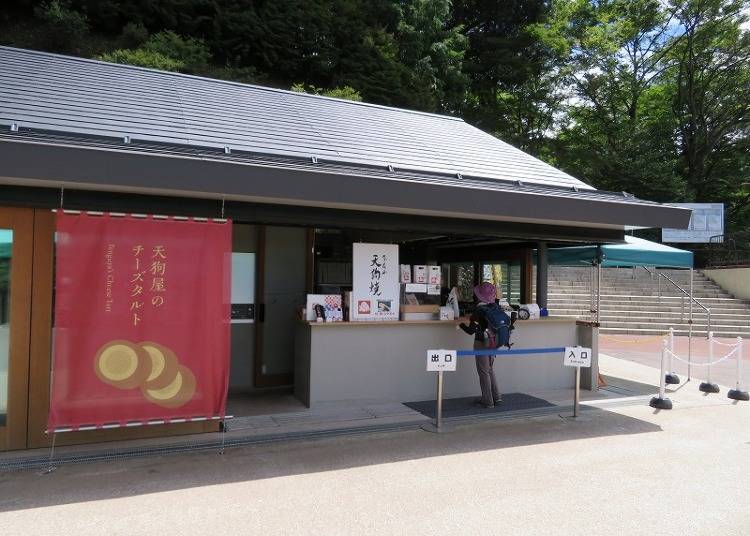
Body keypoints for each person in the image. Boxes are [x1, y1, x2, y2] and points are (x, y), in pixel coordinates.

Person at [458, 282, 502, 408]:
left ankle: (487, 401)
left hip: (482, 343)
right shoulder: (495, 306)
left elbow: (471, 331)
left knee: (483, 372)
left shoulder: (478, 310)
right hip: (494, 342)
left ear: (479, 295)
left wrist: (460, 324)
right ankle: (497, 397)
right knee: (490, 370)